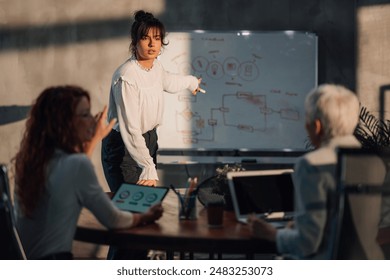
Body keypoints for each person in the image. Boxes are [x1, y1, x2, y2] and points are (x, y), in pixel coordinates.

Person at [13, 85, 163, 260]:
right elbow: (114, 220)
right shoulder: (75, 164)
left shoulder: (31, 161)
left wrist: (93, 140)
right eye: (85, 115)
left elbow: (72, 180)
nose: (93, 120)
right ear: (64, 121)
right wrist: (146, 216)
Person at [248, 84, 361, 259]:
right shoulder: (377, 162)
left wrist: (273, 234)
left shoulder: (311, 165)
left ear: (316, 126)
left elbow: (306, 243)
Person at [101, 10, 203, 193]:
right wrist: (148, 167)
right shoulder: (127, 76)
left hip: (148, 141)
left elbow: (169, 81)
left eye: (156, 38)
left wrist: (191, 82)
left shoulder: (155, 67)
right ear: (135, 41)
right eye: (145, 38)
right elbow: (130, 128)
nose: (151, 43)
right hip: (124, 145)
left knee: (145, 205)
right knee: (132, 206)